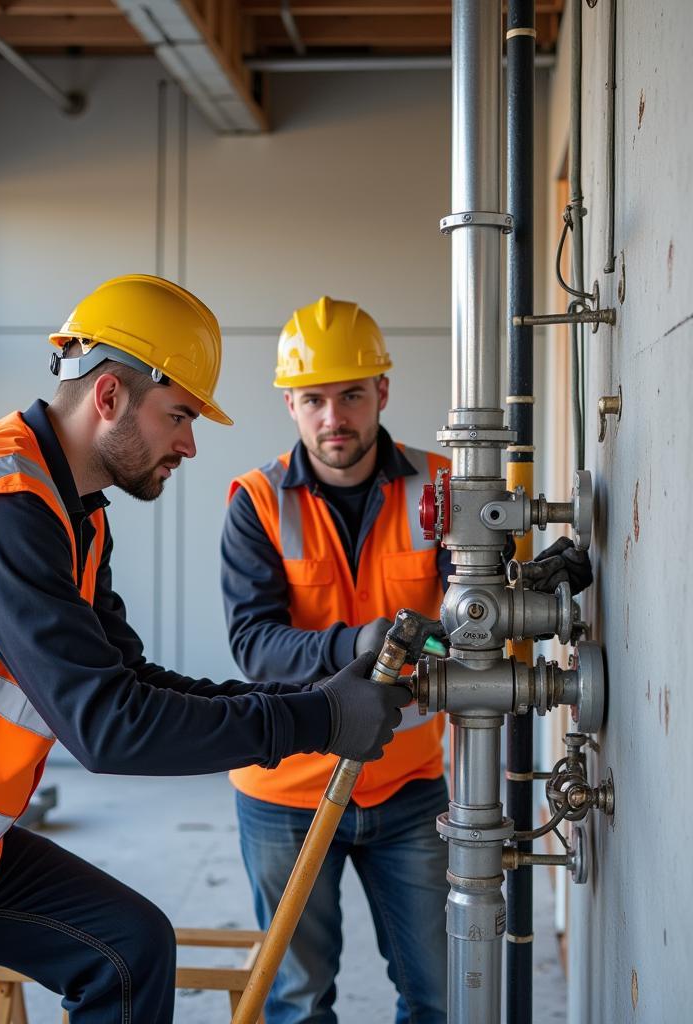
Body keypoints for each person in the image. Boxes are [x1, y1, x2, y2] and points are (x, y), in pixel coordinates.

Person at [0, 276, 411, 1024]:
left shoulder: (74, 512)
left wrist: (310, 701)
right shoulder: (1, 507)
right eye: (180, 416)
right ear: (111, 396)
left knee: (127, 949)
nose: (189, 443)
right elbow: (108, 726)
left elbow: (130, 679)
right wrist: (314, 723)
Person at [221, 297, 453, 1024]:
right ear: (290, 404)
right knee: (296, 1000)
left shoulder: (442, 488)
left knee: (441, 994)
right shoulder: (256, 502)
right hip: (285, 787)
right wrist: (357, 642)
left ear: (382, 390)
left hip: (409, 783)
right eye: (314, 398)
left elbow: (472, 623)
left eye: (351, 393)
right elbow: (256, 644)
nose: (334, 417)